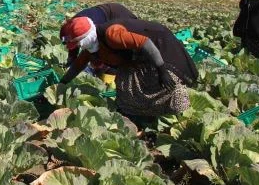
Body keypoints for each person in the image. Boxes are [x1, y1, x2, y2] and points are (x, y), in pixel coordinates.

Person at [60, 16, 198, 118]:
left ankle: (181, 111)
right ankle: (140, 114)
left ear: (86, 38)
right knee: (125, 85)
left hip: (161, 49)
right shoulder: (91, 47)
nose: (77, 47)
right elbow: (77, 66)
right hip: (140, 59)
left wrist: (162, 71)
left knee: (166, 85)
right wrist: (62, 83)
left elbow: (146, 43)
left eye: (77, 43)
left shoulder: (112, 34)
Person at [64, 3, 138, 65]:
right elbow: (73, 42)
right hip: (106, 12)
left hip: (119, 15)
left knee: (122, 48)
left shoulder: (94, 29)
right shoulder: (72, 27)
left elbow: (98, 48)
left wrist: (97, 60)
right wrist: (71, 59)